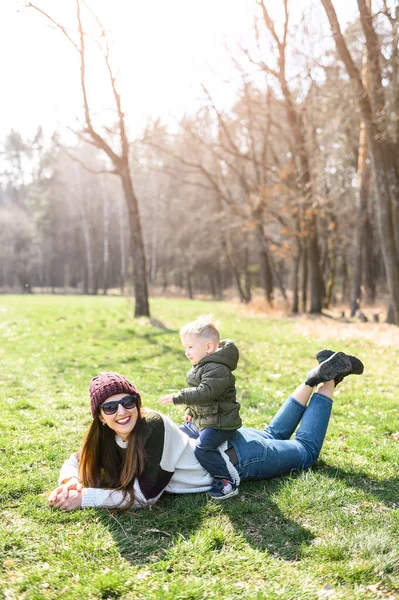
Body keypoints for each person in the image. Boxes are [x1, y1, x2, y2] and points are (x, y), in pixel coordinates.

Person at [48, 350, 364, 512]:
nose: (122, 411)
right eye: (110, 407)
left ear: (137, 401)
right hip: (224, 440)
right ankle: (313, 378)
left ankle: (330, 379)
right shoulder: (107, 437)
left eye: (127, 401)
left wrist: (84, 498)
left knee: (306, 452)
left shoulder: (153, 425)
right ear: (100, 418)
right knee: (271, 433)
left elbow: (145, 497)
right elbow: (75, 461)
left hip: (241, 459)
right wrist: (70, 481)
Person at [159, 315, 242, 499]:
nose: (186, 352)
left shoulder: (218, 369)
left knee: (202, 448)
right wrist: (190, 411)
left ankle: (227, 480)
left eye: (190, 347)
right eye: (185, 347)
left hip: (221, 422)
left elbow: (205, 393)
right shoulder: (202, 366)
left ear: (209, 347)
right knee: (181, 433)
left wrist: (178, 398)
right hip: (205, 418)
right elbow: (201, 397)